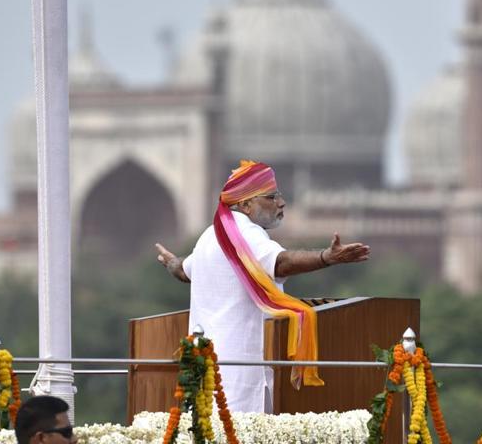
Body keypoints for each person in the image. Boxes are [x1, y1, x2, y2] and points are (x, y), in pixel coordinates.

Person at [156, 160, 370, 412]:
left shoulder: (211, 234)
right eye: (271, 197)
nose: (281, 203)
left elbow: (185, 270)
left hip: (206, 367)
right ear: (246, 205)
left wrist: (172, 263)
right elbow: (281, 263)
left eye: (279, 195)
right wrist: (326, 257)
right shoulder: (244, 232)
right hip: (240, 371)